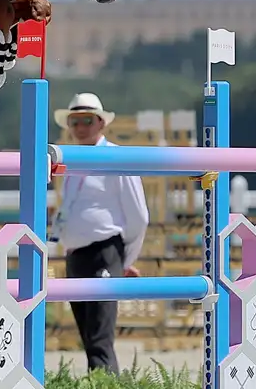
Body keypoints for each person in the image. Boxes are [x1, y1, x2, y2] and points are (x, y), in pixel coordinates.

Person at [50, 93, 149, 374]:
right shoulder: (71, 161)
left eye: (86, 120)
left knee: (99, 337)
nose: (80, 127)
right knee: (88, 335)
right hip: (76, 255)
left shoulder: (116, 157)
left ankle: (106, 383)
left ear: (101, 123)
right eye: (75, 121)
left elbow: (139, 216)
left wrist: (124, 260)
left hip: (106, 251)